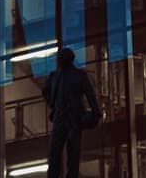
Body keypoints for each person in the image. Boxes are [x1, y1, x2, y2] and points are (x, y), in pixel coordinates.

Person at [41, 46, 101, 178]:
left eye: (60, 58)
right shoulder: (56, 76)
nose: (59, 60)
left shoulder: (76, 75)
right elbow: (45, 91)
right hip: (62, 118)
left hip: (72, 118)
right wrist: (53, 104)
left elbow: (90, 95)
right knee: (57, 152)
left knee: (71, 153)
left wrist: (95, 112)